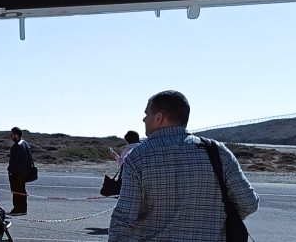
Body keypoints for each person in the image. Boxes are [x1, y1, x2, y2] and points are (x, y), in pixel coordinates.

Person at [110, 90, 259, 241]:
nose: (143, 119)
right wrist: (215, 214)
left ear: (159, 117)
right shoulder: (218, 152)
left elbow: (124, 218)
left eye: (147, 113)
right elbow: (249, 204)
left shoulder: (137, 157)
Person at [7, 127, 34, 215]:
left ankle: (17, 209)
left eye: (12, 135)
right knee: (22, 190)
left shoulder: (17, 146)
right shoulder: (25, 143)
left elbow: (15, 161)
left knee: (16, 190)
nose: (11, 137)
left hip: (17, 172)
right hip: (24, 172)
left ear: (16, 135)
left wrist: (11, 172)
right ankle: (23, 208)